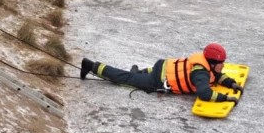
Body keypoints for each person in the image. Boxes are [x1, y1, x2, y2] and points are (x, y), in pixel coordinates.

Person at [80, 43, 243, 103]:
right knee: (126, 79)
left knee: (137, 76)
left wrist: (231, 83)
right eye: (221, 64)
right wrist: (225, 98)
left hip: (163, 67)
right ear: (212, 63)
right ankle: (92, 66)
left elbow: (216, 76)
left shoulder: (206, 65)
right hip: (158, 80)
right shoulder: (201, 73)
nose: (223, 66)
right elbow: (204, 93)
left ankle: (138, 73)